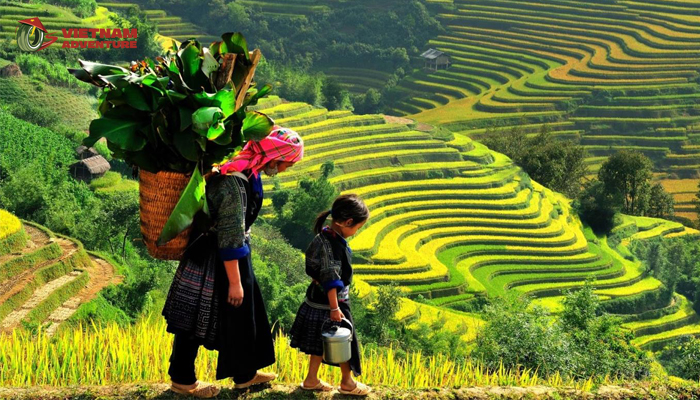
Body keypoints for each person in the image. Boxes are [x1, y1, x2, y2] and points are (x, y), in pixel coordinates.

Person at [161, 126, 304, 398]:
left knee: (244, 315)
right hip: (213, 256)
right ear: (275, 156)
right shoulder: (233, 183)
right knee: (193, 318)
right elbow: (229, 236)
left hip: (234, 253)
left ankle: (245, 374)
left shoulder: (249, 172)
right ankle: (182, 379)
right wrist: (236, 282)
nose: (286, 169)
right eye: (287, 163)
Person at [289, 194, 372, 396]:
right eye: (357, 228)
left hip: (316, 299)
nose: (355, 232)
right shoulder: (331, 245)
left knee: (320, 342)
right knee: (343, 339)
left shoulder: (324, 236)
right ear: (347, 222)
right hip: (332, 303)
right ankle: (347, 382)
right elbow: (330, 278)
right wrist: (335, 308)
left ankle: (311, 379)